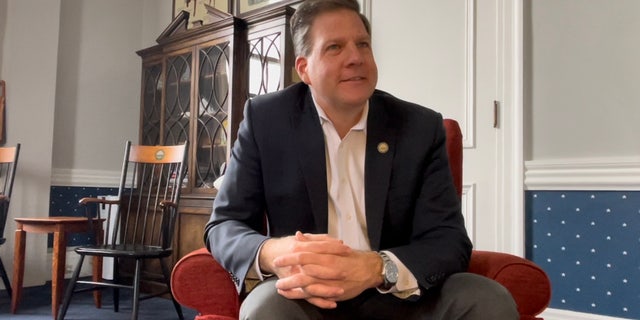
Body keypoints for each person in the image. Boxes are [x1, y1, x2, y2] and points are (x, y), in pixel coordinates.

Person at [204, 0, 518, 319]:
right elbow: (224, 225)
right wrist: (276, 253)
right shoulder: (267, 120)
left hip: (401, 294)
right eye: (335, 47)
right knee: (264, 308)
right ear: (304, 69)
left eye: (363, 44)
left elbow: (449, 239)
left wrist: (377, 268)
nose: (355, 58)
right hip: (307, 297)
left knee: (487, 299)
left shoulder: (420, 128)